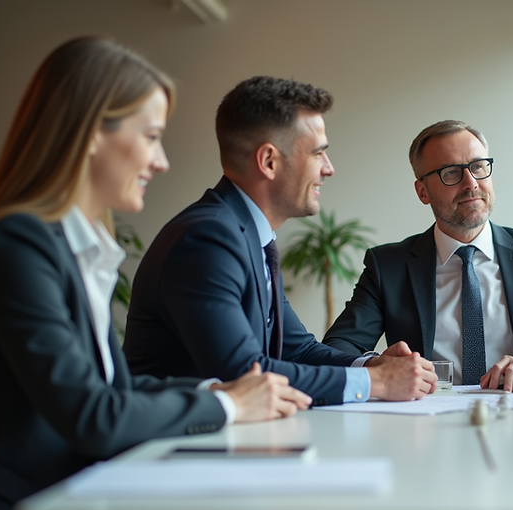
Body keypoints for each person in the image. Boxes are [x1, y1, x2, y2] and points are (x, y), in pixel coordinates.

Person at [0, 37, 310, 510]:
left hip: (83, 498)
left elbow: (113, 388)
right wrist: (229, 408)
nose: (161, 161)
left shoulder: (75, 248)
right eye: (151, 136)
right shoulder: (18, 243)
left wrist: (215, 394)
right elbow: (91, 414)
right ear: (90, 133)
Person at [123, 77, 436, 406]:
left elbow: (298, 349)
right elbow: (245, 374)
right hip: (171, 450)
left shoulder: (246, 236)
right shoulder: (206, 239)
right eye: (318, 154)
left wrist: (372, 365)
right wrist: (375, 383)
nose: (329, 169)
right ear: (269, 161)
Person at [322, 120, 513, 392]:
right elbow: (338, 347)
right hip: (425, 419)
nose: (471, 182)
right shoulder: (388, 266)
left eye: (478, 166)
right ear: (422, 191)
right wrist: (377, 365)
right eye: (451, 172)